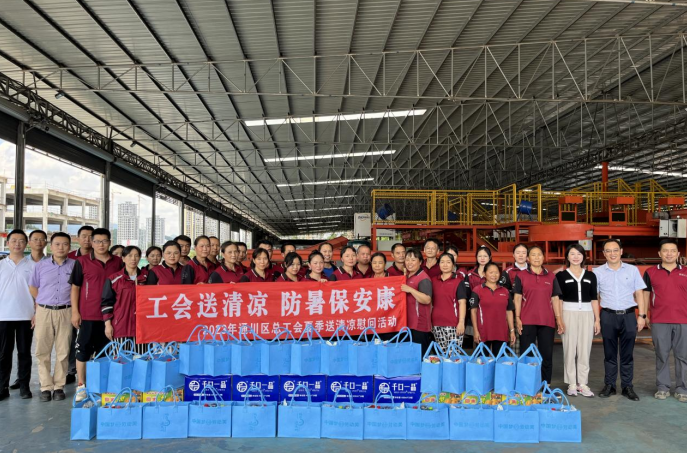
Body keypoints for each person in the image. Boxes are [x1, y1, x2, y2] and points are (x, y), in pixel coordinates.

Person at [69, 228, 123, 400]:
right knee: (83, 351)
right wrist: (75, 312)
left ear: (110, 242)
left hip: (111, 316)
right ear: (92, 243)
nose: (101, 245)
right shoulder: (82, 261)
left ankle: (103, 386)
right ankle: (81, 385)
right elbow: (75, 287)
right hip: (88, 314)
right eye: (97, 241)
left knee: (106, 352)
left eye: (104, 241)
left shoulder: (118, 262)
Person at [593, 238, 646, 401]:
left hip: (628, 316)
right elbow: (595, 297)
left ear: (621, 251)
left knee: (627, 354)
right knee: (609, 353)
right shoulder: (597, 272)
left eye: (615, 250)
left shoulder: (632, 270)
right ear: (604, 254)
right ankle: (609, 385)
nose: (612, 254)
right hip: (607, 315)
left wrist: (642, 315)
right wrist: (596, 319)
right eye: (608, 251)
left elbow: (639, 293)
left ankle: (627, 386)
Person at [29, 232, 75, 402]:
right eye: (57, 244)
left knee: (63, 350)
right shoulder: (40, 266)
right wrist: (42, 302)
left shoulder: (75, 265)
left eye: (65, 244)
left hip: (66, 311)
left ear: (69, 247)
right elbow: (33, 286)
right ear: (51, 246)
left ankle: (59, 386)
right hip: (44, 311)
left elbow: (77, 289)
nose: (61, 247)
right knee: (42, 350)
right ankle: (46, 387)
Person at [643, 239, 687, 403]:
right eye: (665, 250)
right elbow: (646, 294)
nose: (669, 253)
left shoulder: (686, 272)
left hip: (684, 320)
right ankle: (663, 387)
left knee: (683, 356)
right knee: (661, 354)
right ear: (659, 253)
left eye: (673, 250)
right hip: (659, 320)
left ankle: (682, 389)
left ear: (678, 254)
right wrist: (645, 314)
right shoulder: (650, 272)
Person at [513, 245, 563, 385]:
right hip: (527, 321)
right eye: (533, 255)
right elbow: (517, 298)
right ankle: (527, 384)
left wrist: (558, 319)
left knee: (546, 355)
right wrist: (517, 318)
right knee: (526, 354)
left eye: (539, 254)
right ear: (528, 258)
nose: (536, 257)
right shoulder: (521, 276)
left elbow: (555, 298)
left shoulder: (551, 276)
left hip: (547, 321)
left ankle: (545, 384)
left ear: (543, 257)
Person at [556, 244, 599, 397]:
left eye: (579, 254)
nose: (576, 257)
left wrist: (597, 319)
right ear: (567, 257)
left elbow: (594, 298)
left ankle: (583, 383)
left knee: (584, 349)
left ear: (583, 256)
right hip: (568, 313)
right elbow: (559, 299)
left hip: (587, 314)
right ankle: (572, 383)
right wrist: (559, 319)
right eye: (572, 254)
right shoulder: (561, 276)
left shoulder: (591, 276)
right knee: (569, 349)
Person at [0, 230, 36, 401]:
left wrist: (36, 313)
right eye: (14, 240)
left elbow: (39, 292)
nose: (17, 244)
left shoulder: (33, 266)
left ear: (26, 244)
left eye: (21, 241)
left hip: (26, 316)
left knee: (24, 353)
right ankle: (2, 387)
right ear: (8, 243)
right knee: (3, 354)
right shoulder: (1, 265)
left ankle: (24, 387)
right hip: (3, 316)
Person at [101, 246, 147, 343]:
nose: (133, 259)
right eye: (129, 255)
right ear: (123, 258)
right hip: (120, 325)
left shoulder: (146, 278)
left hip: (142, 326)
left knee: (142, 352)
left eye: (136, 256)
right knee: (121, 352)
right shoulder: (114, 279)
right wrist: (108, 325)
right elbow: (106, 303)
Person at [469, 262, 516, 355]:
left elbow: (509, 311)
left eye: (496, 272)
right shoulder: (477, 290)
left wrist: (512, 331)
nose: (494, 275)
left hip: (501, 333)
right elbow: (473, 311)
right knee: (482, 361)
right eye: (491, 272)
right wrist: (475, 331)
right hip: (483, 332)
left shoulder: (505, 291)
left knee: (500, 361)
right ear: (484, 274)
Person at [67, 226, 93, 385]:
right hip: (70, 304)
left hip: (90, 307)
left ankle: (90, 371)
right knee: (70, 340)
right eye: (84, 236)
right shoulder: (70, 257)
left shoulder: (99, 257)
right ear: (77, 238)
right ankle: (70, 370)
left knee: (87, 341)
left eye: (91, 236)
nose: (87, 240)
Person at [401, 248, 433, 355]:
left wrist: (410, 290)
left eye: (413, 260)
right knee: (411, 356)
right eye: (407, 259)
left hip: (419, 324)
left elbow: (427, 299)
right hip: (408, 324)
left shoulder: (423, 278)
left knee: (420, 356)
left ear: (420, 262)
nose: (409, 262)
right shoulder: (407, 276)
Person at [432, 253, 467, 351]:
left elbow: (462, 303)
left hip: (453, 324)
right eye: (442, 262)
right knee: (441, 355)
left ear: (453, 265)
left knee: (453, 355)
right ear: (438, 264)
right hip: (436, 324)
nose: (445, 265)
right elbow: (430, 302)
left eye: (448, 262)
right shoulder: (433, 280)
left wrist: (461, 322)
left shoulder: (458, 281)